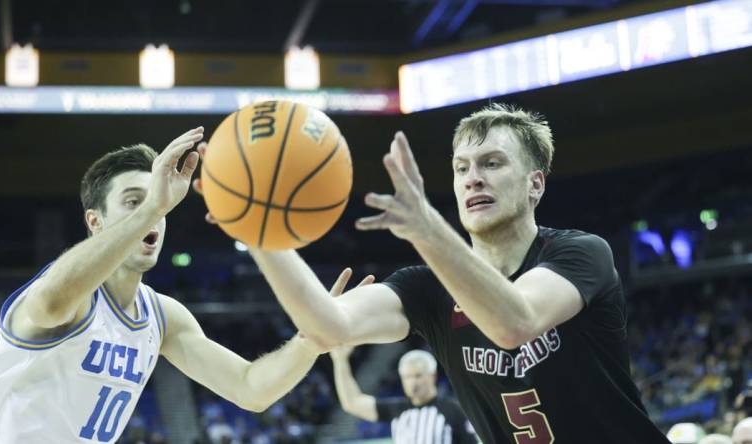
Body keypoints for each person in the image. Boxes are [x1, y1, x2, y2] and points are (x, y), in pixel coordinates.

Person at [197, 103, 671, 443]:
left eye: (492, 163)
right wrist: (257, 232)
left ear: (535, 184)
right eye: (461, 167)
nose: (472, 178)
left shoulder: (580, 253)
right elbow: (328, 326)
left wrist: (426, 228)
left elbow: (515, 323)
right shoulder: (424, 287)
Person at [0, 128, 357, 444]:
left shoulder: (162, 316)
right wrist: (155, 203)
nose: (155, 212)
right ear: (95, 221)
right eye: (133, 201)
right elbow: (51, 303)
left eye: (160, 207)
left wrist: (311, 341)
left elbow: (250, 389)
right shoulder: (71, 293)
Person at [331, 347, 477, 443]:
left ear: (432, 376)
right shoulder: (398, 409)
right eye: (407, 377)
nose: (413, 382)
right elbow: (352, 403)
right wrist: (340, 361)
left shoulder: (452, 409)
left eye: (418, 376)